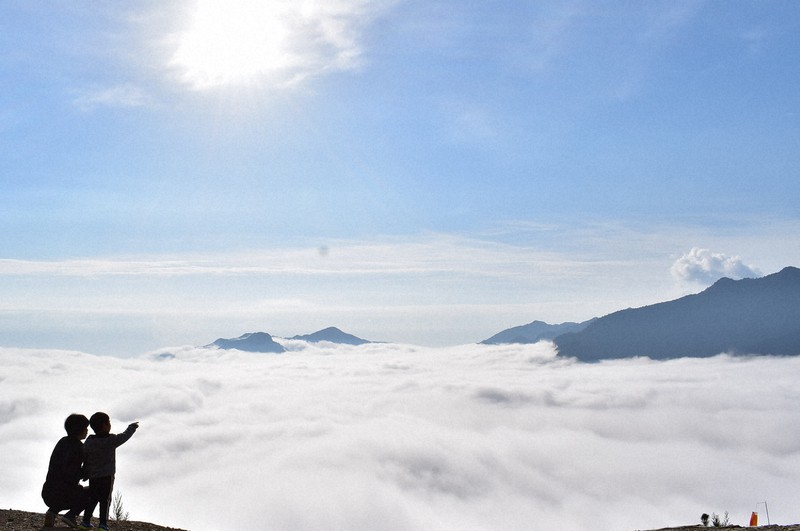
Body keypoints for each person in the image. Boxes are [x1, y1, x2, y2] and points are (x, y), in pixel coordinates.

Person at [81, 413, 138, 531]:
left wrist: (85, 471)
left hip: (93, 476)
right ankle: (103, 524)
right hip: (107, 476)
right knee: (105, 500)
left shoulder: (89, 441)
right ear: (105, 425)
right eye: (109, 422)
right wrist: (131, 428)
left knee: (92, 498)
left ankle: (85, 522)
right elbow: (124, 437)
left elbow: (84, 457)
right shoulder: (110, 440)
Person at [41, 413, 91, 529]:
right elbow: (72, 473)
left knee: (62, 489)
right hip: (65, 494)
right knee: (93, 492)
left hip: (48, 492)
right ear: (79, 429)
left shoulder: (62, 442)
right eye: (85, 428)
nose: (87, 430)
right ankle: (71, 515)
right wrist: (85, 473)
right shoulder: (79, 448)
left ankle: (52, 512)